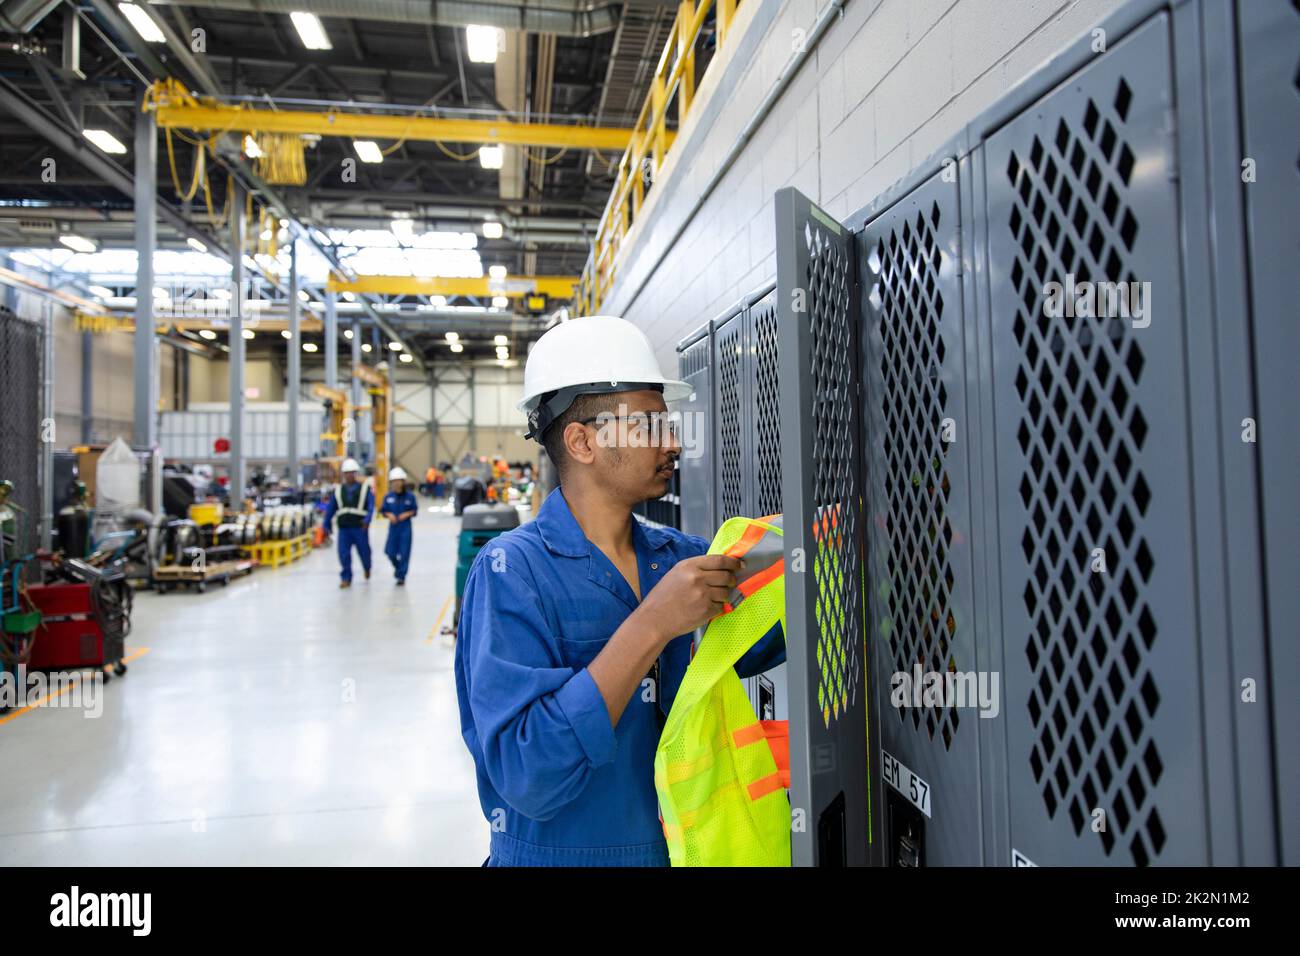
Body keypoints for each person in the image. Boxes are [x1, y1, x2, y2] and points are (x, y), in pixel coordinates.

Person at [455, 315, 785, 867]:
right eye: (649, 427)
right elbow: (526, 773)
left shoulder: (677, 556)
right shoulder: (511, 572)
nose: (673, 443)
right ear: (581, 441)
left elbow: (757, 643)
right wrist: (653, 624)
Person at [323, 458, 373, 589]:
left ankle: (367, 567)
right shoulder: (338, 491)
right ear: (344, 474)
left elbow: (371, 506)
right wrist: (326, 524)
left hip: (359, 527)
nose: (350, 475)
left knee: (364, 552)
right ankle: (346, 578)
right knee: (343, 554)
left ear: (356, 473)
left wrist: (367, 521)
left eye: (352, 472)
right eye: (347, 472)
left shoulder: (365, 489)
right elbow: (330, 509)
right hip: (344, 529)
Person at [380, 466, 418, 585]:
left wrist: (406, 514)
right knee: (389, 552)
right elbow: (383, 510)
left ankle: (401, 576)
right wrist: (389, 514)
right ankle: (398, 569)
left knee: (404, 553)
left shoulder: (410, 496)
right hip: (393, 528)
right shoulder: (388, 497)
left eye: (399, 481)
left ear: (403, 482)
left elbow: (415, 510)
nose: (396, 483)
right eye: (394, 481)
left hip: (405, 528)